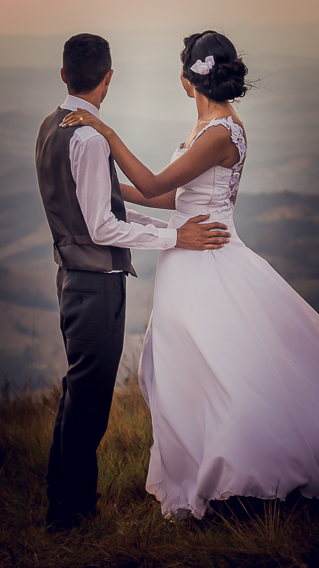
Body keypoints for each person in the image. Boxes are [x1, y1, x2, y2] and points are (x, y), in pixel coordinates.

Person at [60, 30, 319, 520]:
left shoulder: (219, 134)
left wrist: (106, 134)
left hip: (209, 262)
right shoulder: (208, 130)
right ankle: (214, 473)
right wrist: (103, 191)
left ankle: (248, 477)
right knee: (196, 374)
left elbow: (152, 181)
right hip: (188, 262)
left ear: (189, 81)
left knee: (230, 374)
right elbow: (170, 198)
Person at [34, 33, 232, 529]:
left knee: (78, 392)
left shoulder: (49, 126)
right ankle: (72, 512)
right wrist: (173, 240)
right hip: (95, 283)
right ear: (108, 78)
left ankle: (64, 501)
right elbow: (103, 226)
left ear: (63, 75)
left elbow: (98, 206)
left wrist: (167, 230)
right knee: (91, 400)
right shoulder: (90, 136)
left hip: (70, 276)